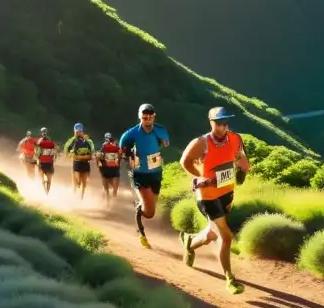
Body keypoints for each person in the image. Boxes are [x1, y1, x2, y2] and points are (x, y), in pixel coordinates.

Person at [178, 107, 249, 294]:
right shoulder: (202, 143)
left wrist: (243, 167)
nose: (223, 127)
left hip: (226, 192)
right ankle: (230, 279)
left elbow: (240, 156)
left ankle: (190, 242)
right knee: (226, 236)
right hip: (207, 194)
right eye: (219, 123)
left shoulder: (235, 138)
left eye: (226, 123)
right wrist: (199, 176)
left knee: (212, 233)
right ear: (211, 123)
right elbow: (184, 161)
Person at [119, 103, 170, 248]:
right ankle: (141, 233)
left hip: (156, 173)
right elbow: (123, 151)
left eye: (150, 114)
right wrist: (129, 154)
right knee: (146, 208)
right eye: (144, 114)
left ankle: (139, 205)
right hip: (139, 173)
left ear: (154, 116)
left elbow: (165, 142)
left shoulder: (160, 130)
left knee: (150, 213)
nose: (147, 117)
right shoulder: (130, 134)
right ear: (139, 115)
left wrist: (163, 142)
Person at [64, 123, 95, 201]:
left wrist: (91, 155)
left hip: (85, 163)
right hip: (76, 163)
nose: (78, 133)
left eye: (80, 131)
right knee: (77, 181)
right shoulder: (71, 140)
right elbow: (66, 150)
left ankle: (82, 197)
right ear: (74, 131)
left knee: (84, 182)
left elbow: (92, 150)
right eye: (77, 132)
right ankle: (74, 193)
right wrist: (71, 155)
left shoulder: (88, 140)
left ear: (82, 131)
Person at [97, 132, 122, 206]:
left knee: (108, 186)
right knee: (111, 186)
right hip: (110, 169)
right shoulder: (106, 146)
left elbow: (99, 157)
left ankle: (110, 201)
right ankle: (110, 200)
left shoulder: (105, 146)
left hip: (109, 169)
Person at [34, 127, 58, 195]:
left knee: (47, 180)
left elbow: (36, 152)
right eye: (43, 132)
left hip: (45, 163)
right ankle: (46, 192)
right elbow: (55, 150)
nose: (44, 133)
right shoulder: (41, 141)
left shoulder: (42, 141)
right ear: (41, 133)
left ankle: (46, 192)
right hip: (45, 163)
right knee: (45, 180)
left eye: (45, 132)